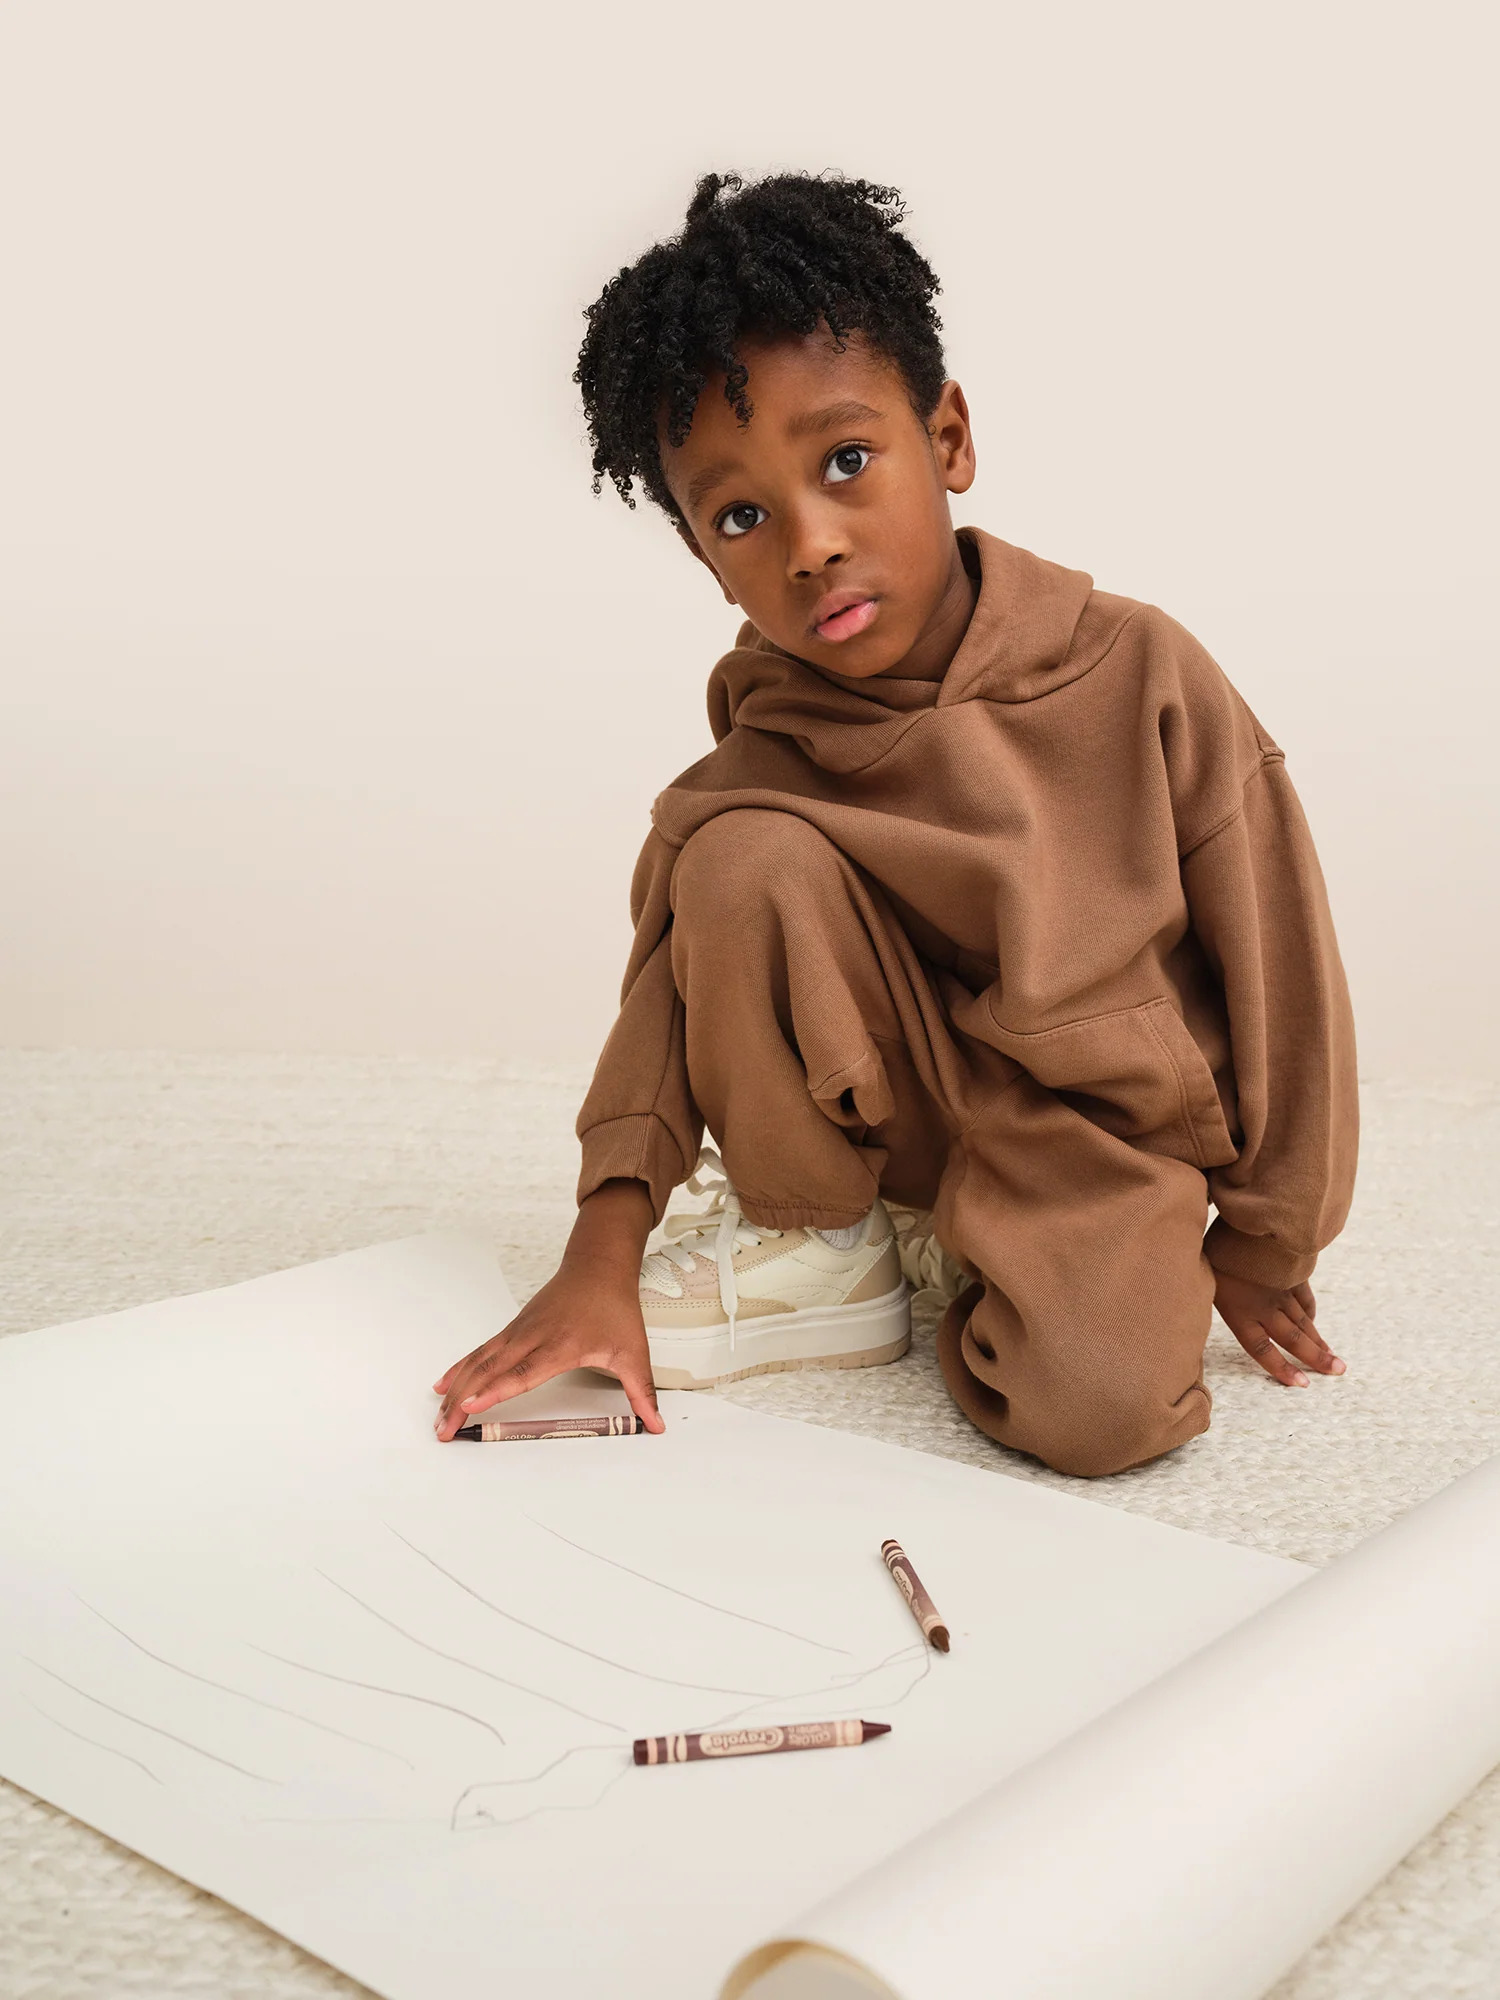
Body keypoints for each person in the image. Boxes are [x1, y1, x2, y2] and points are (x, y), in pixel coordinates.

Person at [434, 171, 1358, 1477]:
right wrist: (601, 1260)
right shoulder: (769, 741)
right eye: (741, 516)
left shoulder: (1141, 672)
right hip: (903, 1102)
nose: (808, 543)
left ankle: (983, 1253)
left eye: (847, 462)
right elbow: (662, 1005)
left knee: (1103, 1418)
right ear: (705, 558)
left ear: (951, 437)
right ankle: (828, 1237)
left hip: (1093, 1144)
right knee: (735, 852)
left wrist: (1264, 1245)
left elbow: (1286, 972)